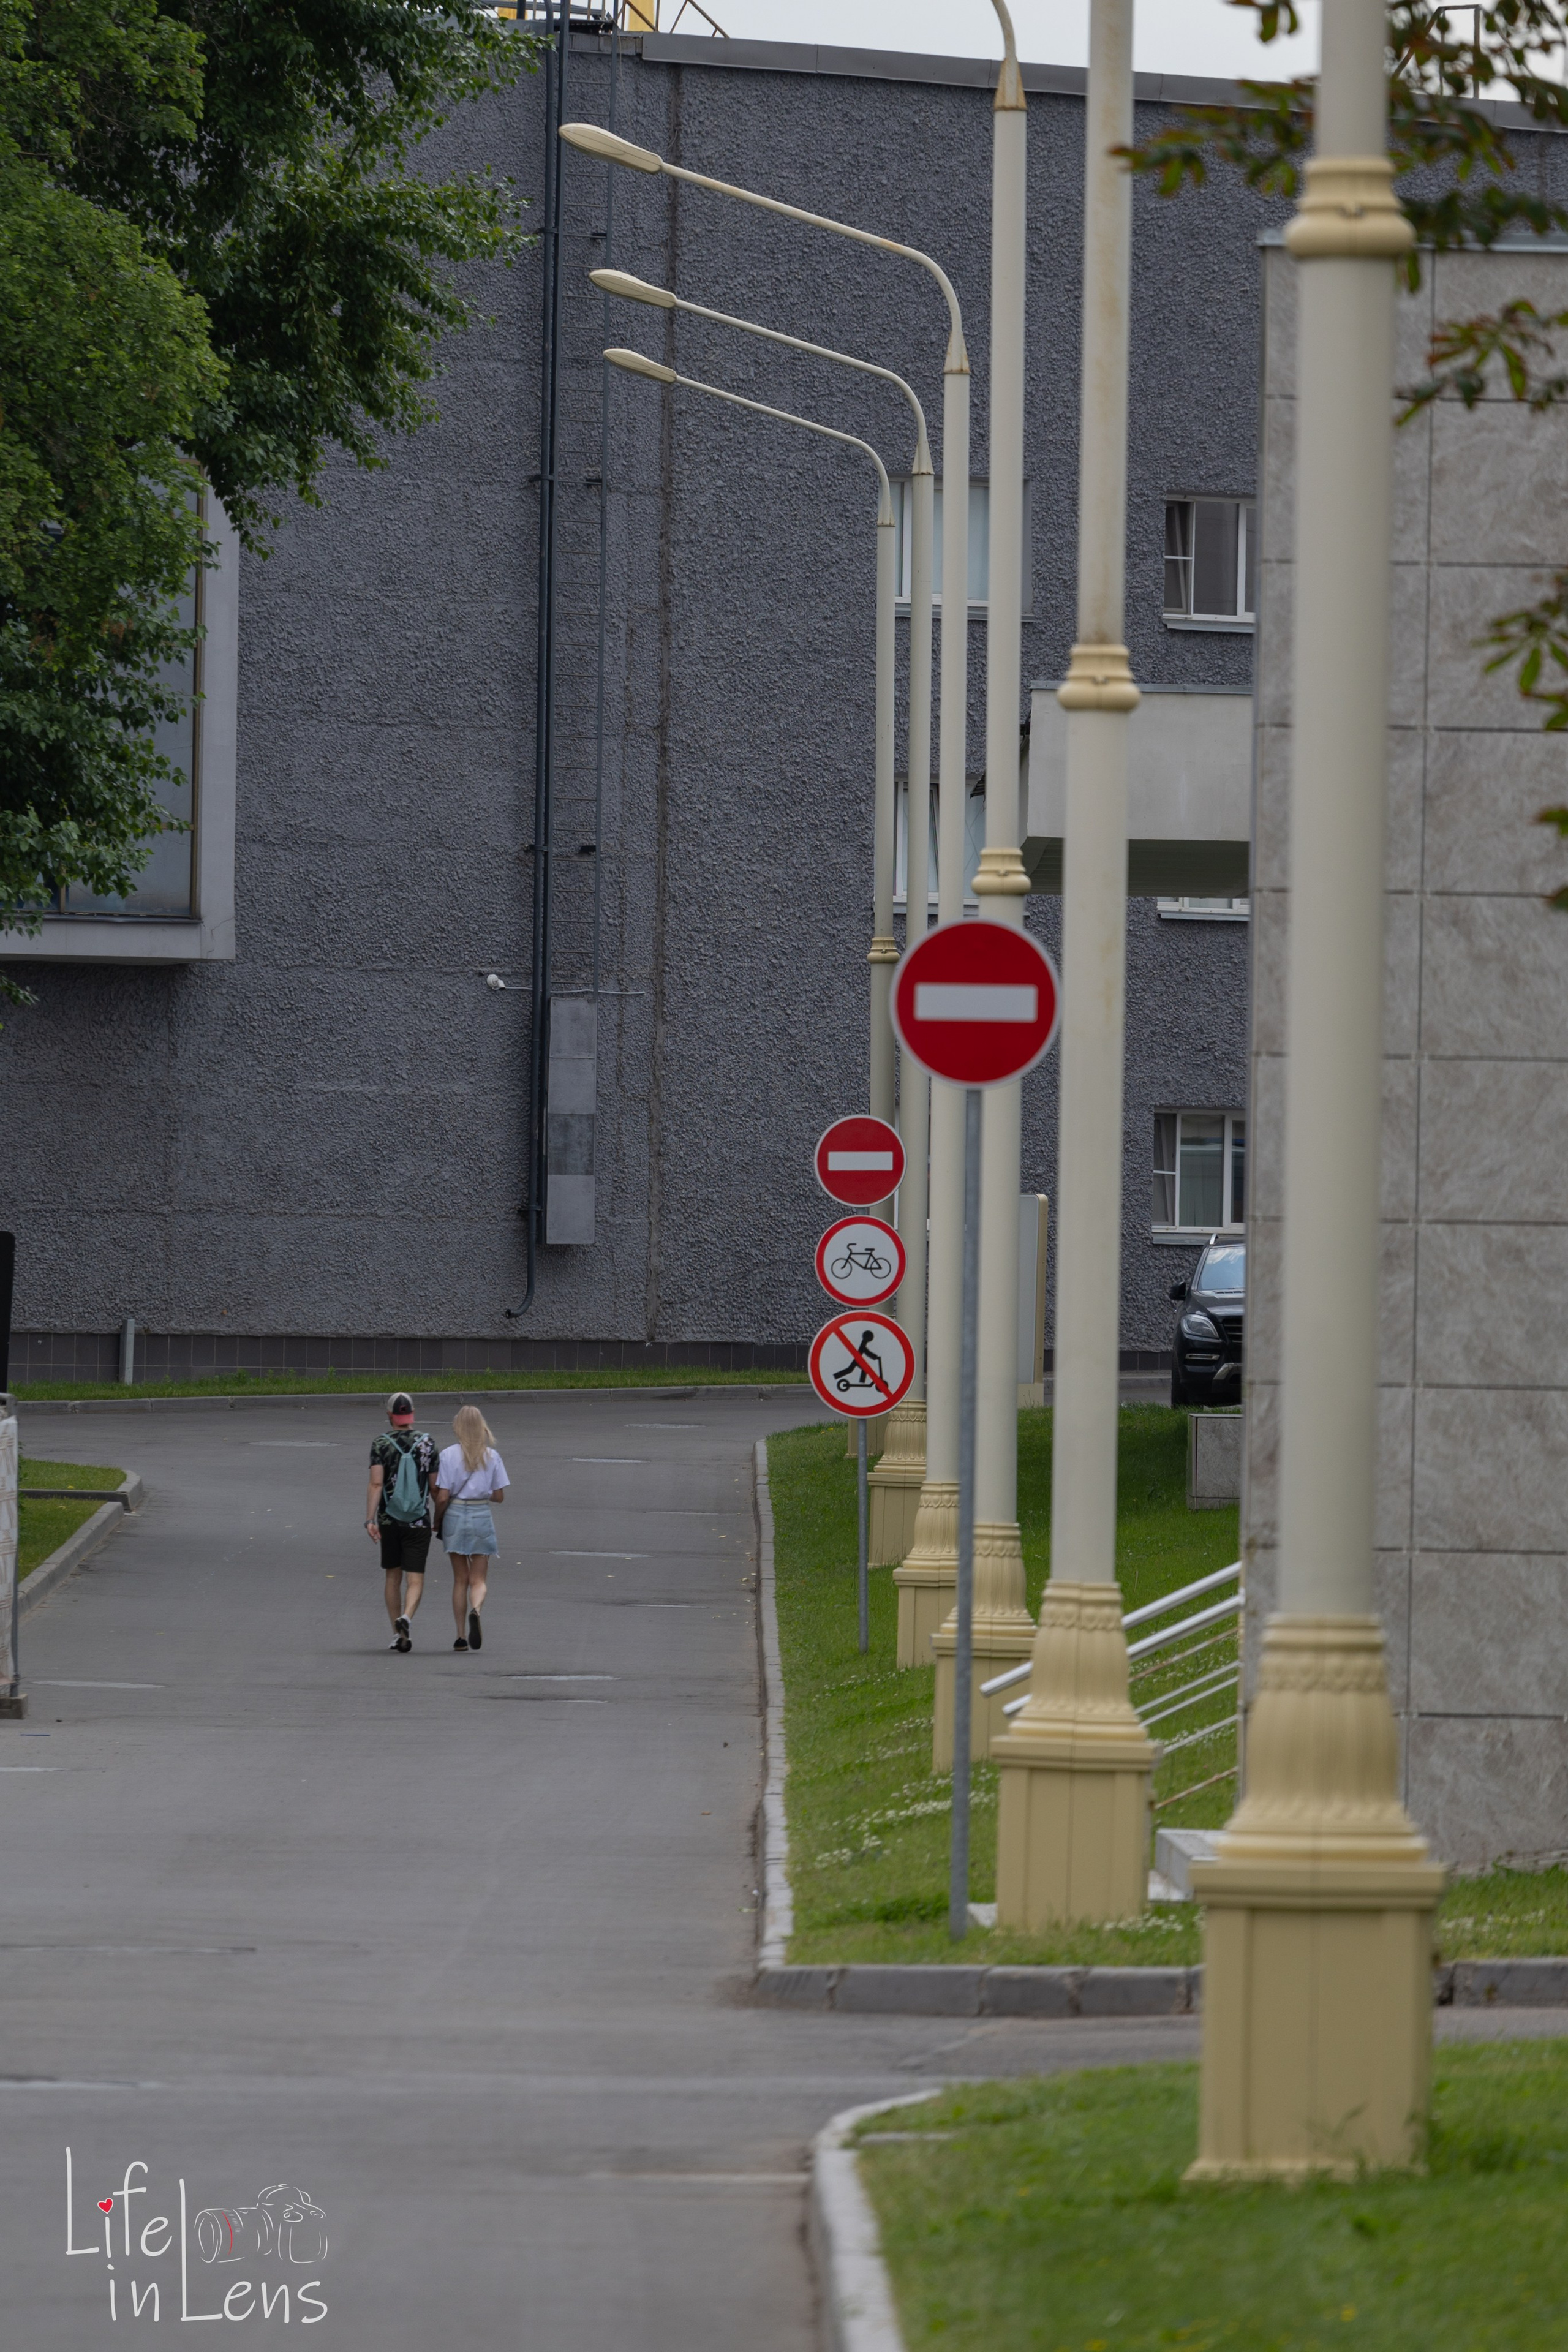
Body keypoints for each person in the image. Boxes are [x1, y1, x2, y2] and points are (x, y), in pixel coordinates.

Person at [366, 1393, 439, 1653]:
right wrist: (440, 1518)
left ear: (390, 1415)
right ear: (412, 1414)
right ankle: (406, 1617)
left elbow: (376, 1484)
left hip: (389, 1520)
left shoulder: (380, 1444)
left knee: (393, 1576)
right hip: (419, 1521)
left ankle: (399, 1635)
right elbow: (434, 1487)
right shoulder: (428, 1443)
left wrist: (370, 1520)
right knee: (415, 1579)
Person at [433, 1405, 508, 1653]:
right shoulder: (492, 1457)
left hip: (455, 1514)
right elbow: (499, 1496)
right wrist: (483, 1490)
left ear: (458, 1428)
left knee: (460, 1580)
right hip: (480, 1515)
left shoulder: (447, 1455)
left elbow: (442, 1496)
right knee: (479, 1580)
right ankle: (476, 1610)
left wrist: (438, 1519)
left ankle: (460, 1637)